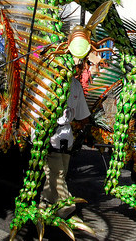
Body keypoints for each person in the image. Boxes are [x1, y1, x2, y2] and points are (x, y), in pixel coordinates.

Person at [41, 67, 91, 219]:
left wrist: (89, 131)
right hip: (49, 134)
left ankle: (45, 204)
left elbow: (83, 115)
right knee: (58, 173)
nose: (77, 66)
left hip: (67, 136)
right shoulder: (47, 81)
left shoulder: (75, 85)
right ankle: (67, 207)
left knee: (59, 173)